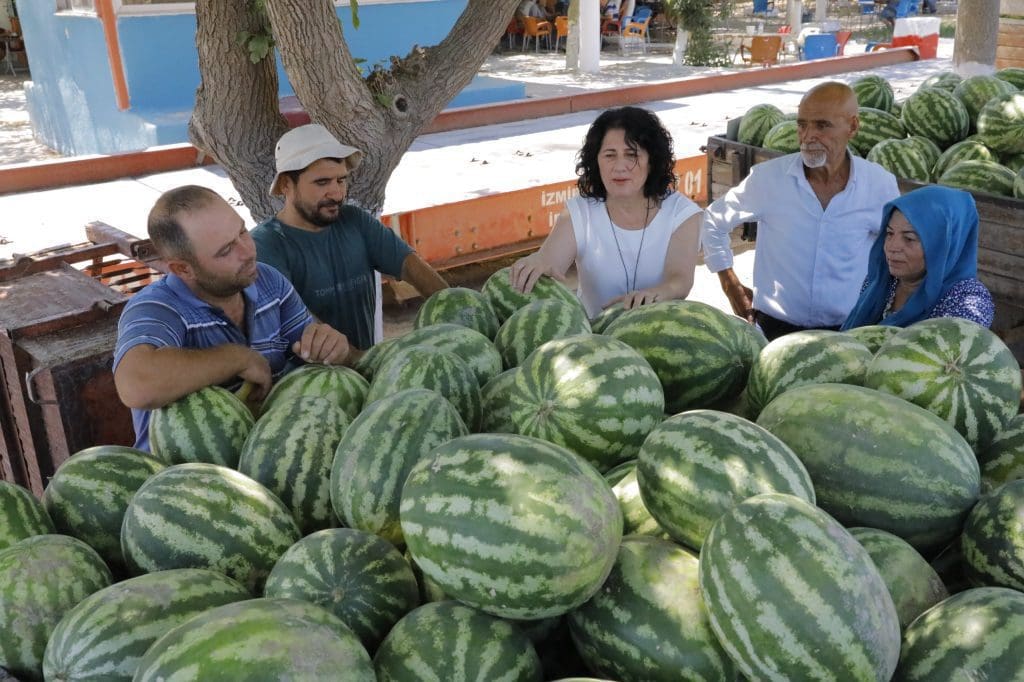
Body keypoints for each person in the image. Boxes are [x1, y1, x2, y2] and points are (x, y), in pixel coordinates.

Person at [114, 185, 352, 451]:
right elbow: (136, 384)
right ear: (183, 268)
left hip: (263, 457)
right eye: (226, 250)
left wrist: (330, 346)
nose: (248, 251)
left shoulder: (269, 282)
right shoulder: (157, 307)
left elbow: (312, 352)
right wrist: (236, 358)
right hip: (184, 480)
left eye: (242, 231)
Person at [701, 81, 901, 340]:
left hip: (848, 333)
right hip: (773, 330)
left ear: (853, 126)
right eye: (802, 124)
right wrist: (730, 284)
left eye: (822, 125)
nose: (807, 136)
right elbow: (714, 220)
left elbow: (897, 251)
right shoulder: (769, 179)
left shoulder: (878, 185)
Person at [251, 124, 448, 354]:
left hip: (363, 372)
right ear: (286, 184)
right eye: (322, 182)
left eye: (341, 180)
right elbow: (306, 330)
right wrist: (366, 366)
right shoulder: (266, 246)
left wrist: (457, 308)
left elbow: (411, 267)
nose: (336, 193)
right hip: (313, 383)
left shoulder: (354, 221)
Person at [509, 106, 703, 318]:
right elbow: (550, 262)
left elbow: (680, 281)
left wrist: (654, 295)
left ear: (652, 161)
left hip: (658, 334)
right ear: (596, 161)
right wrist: (537, 263)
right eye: (610, 155)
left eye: (631, 155)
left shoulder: (681, 213)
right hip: (594, 341)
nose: (619, 166)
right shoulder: (581, 212)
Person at [842, 185, 994, 329]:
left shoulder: (967, 300)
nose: (892, 247)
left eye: (909, 238)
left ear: (942, 246)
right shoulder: (879, 281)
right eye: (889, 234)